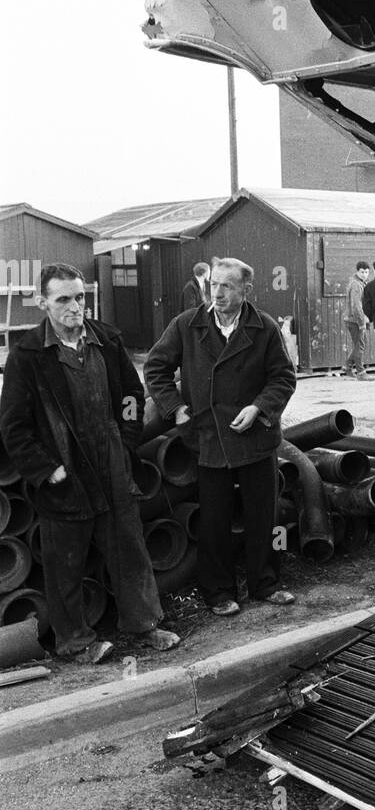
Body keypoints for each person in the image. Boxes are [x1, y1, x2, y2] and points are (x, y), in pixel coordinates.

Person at [0, 263, 180, 662]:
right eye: (63, 298)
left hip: (112, 462)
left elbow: (132, 396)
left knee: (129, 548)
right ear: (42, 302)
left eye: (80, 297)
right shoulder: (28, 356)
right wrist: (47, 470)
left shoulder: (107, 340)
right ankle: (76, 642)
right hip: (64, 472)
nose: (75, 306)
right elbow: (13, 426)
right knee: (66, 563)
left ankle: (145, 625)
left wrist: (128, 442)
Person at [145, 257, 296, 617]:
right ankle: (217, 591)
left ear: (246, 289)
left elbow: (283, 377)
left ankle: (266, 583)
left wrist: (259, 408)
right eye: (214, 284)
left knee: (264, 515)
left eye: (228, 285)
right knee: (215, 519)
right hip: (209, 437)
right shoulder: (187, 325)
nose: (219, 293)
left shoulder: (265, 327)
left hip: (255, 436)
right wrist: (176, 408)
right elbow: (156, 367)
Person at [340, 262, 373, 379]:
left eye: (367, 272)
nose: (364, 274)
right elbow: (356, 306)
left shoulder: (360, 283)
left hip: (353, 319)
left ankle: (348, 367)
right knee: (360, 345)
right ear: (357, 272)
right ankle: (361, 372)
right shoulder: (356, 285)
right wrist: (361, 322)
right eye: (362, 272)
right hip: (355, 320)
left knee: (360, 344)